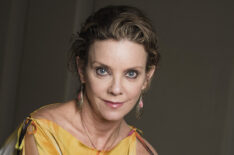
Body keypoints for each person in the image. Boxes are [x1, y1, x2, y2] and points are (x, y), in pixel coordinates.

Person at [1, 5, 160, 155]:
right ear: (81, 69)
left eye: (131, 73)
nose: (116, 89)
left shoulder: (143, 151)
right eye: (102, 71)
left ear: (147, 78)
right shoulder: (43, 131)